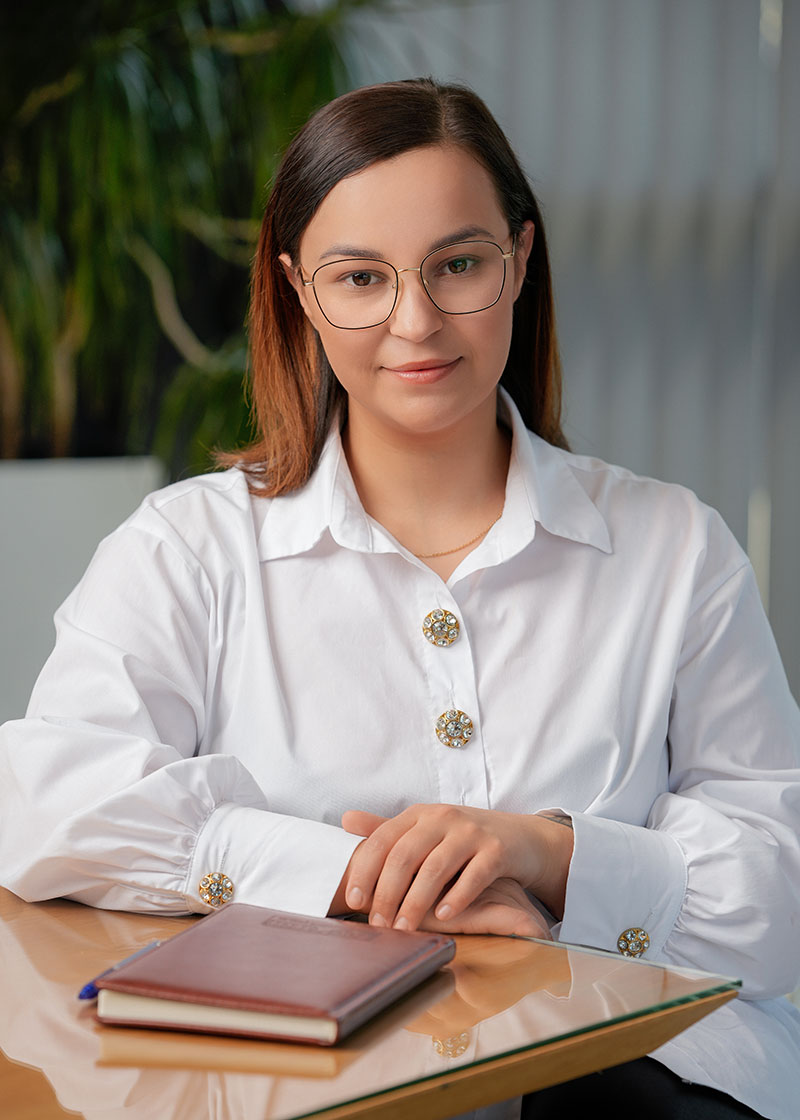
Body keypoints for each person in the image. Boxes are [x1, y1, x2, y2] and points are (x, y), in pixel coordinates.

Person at [0, 78, 797, 1119]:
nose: (414, 322)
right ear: (297, 288)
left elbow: (781, 884)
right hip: (300, 1089)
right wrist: (345, 875)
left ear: (518, 257)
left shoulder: (674, 546)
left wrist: (550, 858)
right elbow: (43, 800)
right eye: (361, 278)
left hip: (640, 1090)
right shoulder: (189, 548)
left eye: (457, 265)